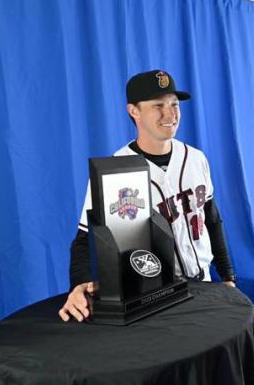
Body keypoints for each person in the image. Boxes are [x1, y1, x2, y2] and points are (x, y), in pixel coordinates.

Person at [59, 70, 236, 322]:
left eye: (174, 104)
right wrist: (79, 285)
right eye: (158, 106)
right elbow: (84, 239)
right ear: (134, 111)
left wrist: (228, 275)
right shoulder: (115, 169)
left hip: (204, 283)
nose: (170, 114)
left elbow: (212, 218)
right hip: (156, 298)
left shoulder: (196, 158)